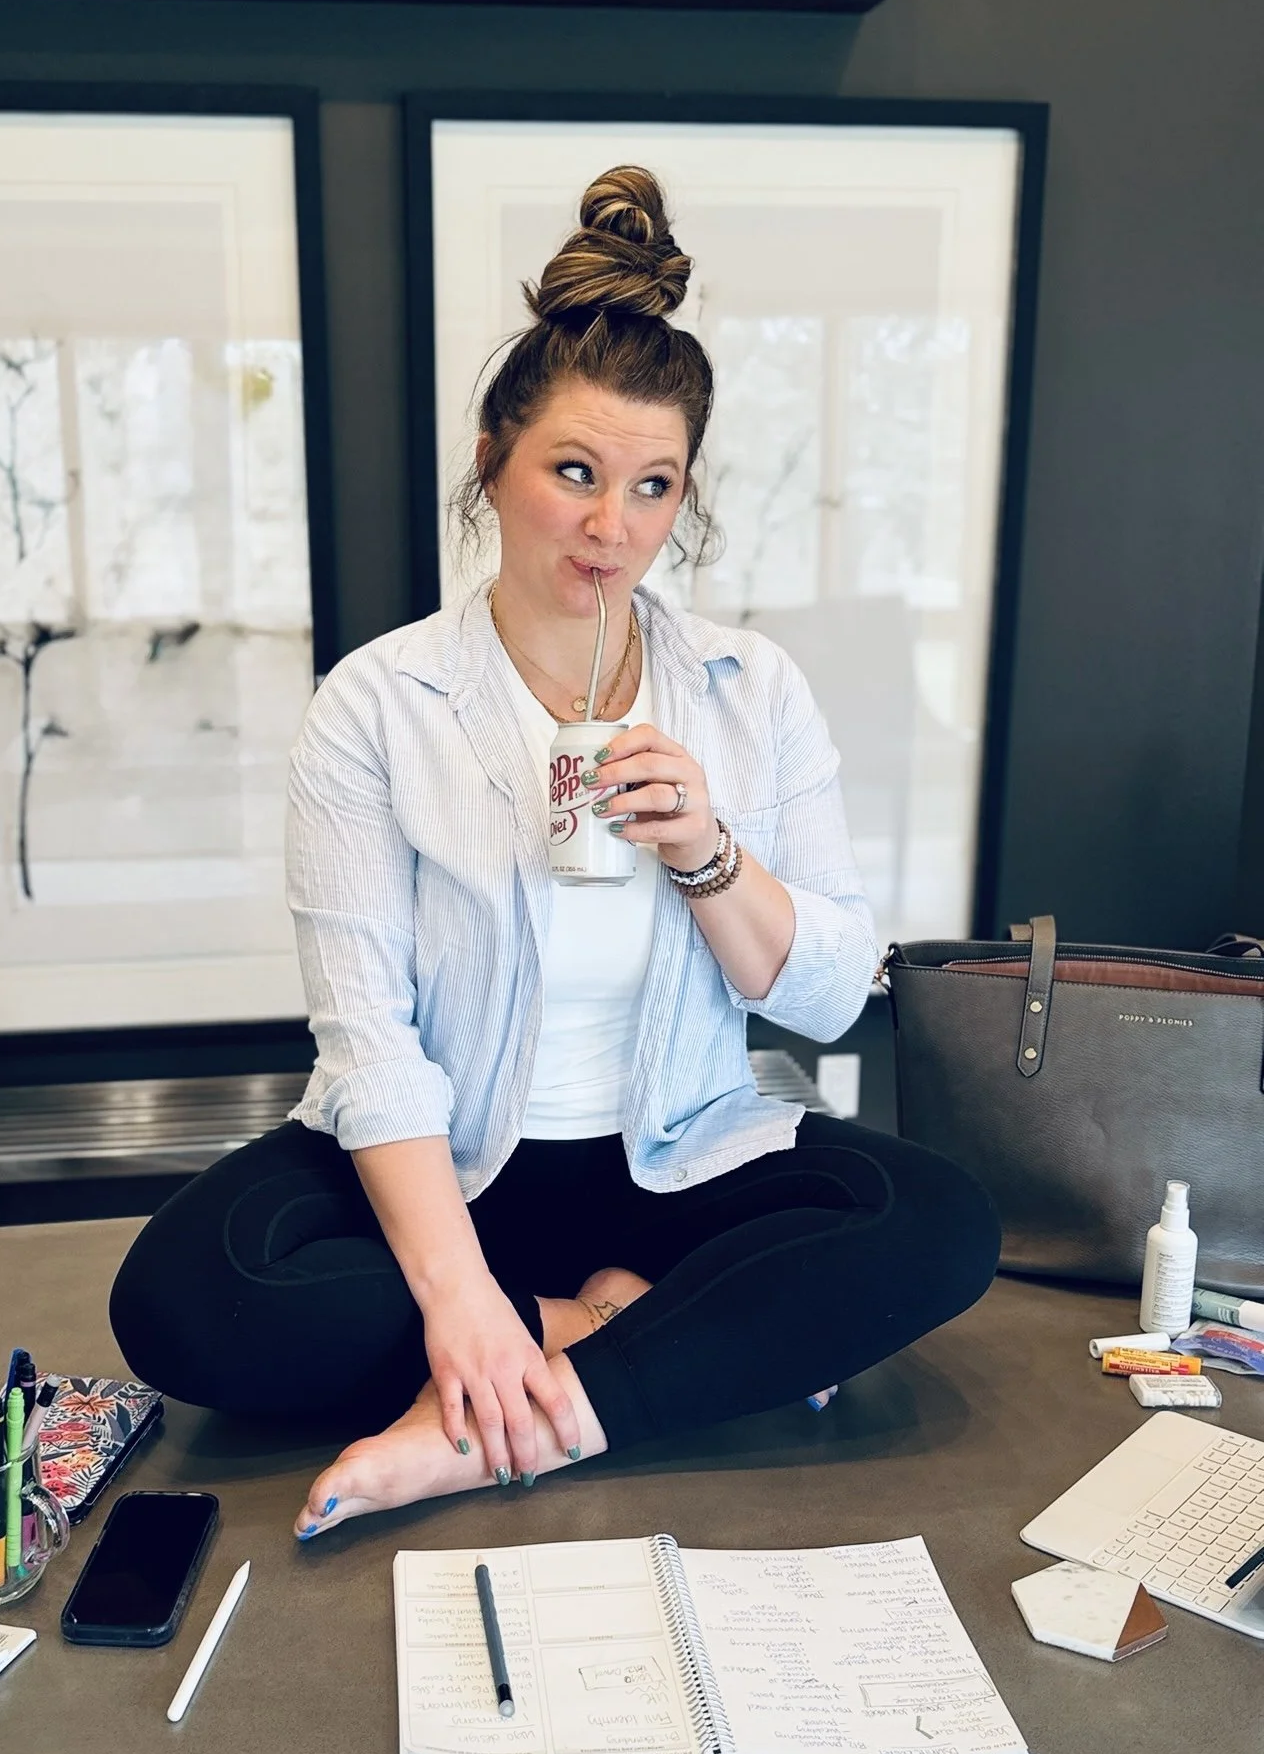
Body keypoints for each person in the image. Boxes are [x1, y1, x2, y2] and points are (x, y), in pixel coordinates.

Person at [110, 166, 1000, 1540]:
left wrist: (708, 851)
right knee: (183, 1301)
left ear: (684, 498)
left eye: (652, 487)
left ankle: (515, 1428)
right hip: (450, 1164)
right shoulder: (380, 705)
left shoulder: (749, 692)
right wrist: (466, 1300)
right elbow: (370, 1046)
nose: (609, 527)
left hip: (674, 1163)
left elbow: (829, 998)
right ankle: (622, 1338)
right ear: (494, 463)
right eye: (574, 472)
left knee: (936, 1223)